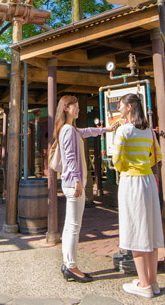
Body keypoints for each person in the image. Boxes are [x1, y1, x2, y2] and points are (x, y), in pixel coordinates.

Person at [53, 95, 115, 283]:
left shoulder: (70, 129)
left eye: (78, 106)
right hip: (74, 184)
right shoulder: (68, 131)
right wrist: (78, 181)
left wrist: (106, 129)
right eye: (75, 107)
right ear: (66, 108)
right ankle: (71, 266)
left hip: (70, 183)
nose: (78, 109)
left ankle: (68, 263)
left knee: (70, 226)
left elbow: (87, 131)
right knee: (73, 226)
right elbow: (71, 158)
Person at [111, 94, 164, 298]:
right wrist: (144, 166)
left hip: (131, 182)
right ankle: (153, 281)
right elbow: (157, 156)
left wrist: (126, 167)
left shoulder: (123, 130)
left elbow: (116, 158)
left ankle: (143, 285)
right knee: (150, 229)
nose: (118, 107)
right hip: (149, 181)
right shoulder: (149, 131)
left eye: (121, 104)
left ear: (130, 107)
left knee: (135, 229)